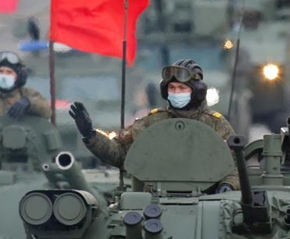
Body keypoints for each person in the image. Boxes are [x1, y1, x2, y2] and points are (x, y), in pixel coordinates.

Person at [69, 59, 241, 192]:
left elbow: (234, 166)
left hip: (205, 199)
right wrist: (90, 135)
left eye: (182, 88)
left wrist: (228, 185)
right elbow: (120, 153)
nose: (176, 93)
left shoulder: (216, 124)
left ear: (197, 92)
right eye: (172, 88)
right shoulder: (153, 122)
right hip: (156, 201)